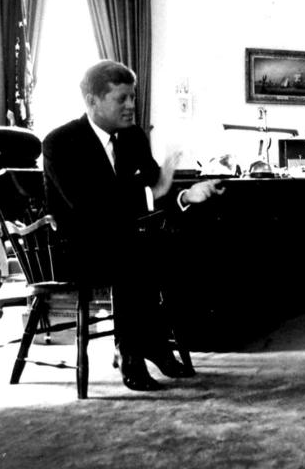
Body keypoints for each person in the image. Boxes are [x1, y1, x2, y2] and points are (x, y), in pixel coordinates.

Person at [43, 60, 224, 392]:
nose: (130, 106)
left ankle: (148, 344)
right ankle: (137, 350)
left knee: (174, 246)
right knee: (135, 254)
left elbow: (157, 187)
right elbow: (85, 206)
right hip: (77, 245)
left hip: (123, 239)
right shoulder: (59, 142)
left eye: (132, 98)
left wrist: (185, 195)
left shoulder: (133, 137)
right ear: (92, 101)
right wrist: (147, 192)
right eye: (121, 98)